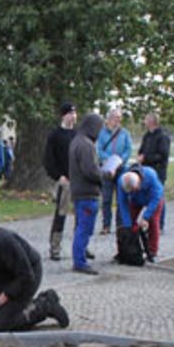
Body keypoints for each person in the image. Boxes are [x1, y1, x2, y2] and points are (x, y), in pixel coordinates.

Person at [69, 113, 105, 275]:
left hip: (78, 191)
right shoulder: (86, 145)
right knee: (84, 228)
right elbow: (90, 171)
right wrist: (104, 174)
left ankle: (80, 256)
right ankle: (79, 261)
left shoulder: (76, 141)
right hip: (87, 192)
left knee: (80, 227)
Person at [43, 101, 77, 261]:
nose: (73, 116)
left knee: (81, 214)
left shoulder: (78, 134)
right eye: (70, 113)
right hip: (64, 180)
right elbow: (48, 160)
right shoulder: (55, 135)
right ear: (64, 115)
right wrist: (58, 176)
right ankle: (55, 246)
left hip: (79, 180)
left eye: (75, 113)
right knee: (61, 214)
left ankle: (80, 246)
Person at [96, 107, 133, 235]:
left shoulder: (125, 133)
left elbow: (128, 149)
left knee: (121, 197)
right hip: (106, 169)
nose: (117, 120)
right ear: (109, 119)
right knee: (106, 198)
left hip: (121, 168)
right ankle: (106, 225)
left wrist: (119, 160)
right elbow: (99, 149)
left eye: (119, 118)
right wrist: (108, 159)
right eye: (115, 117)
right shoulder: (102, 133)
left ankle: (120, 225)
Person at [117, 166, 165, 261]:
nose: (133, 191)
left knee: (153, 222)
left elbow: (156, 198)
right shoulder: (121, 182)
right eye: (131, 191)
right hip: (135, 201)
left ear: (139, 182)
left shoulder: (150, 176)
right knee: (129, 224)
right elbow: (123, 203)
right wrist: (128, 225)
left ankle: (152, 251)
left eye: (134, 189)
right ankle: (128, 250)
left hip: (153, 199)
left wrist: (146, 217)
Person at [137, 112, 171, 231]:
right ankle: (150, 222)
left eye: (146, 120)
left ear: (152, 121)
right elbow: (142, 150)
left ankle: (159, 224)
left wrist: (146, 158)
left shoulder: (163, 136)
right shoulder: (147, 135)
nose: (144, 122)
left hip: (158, 171)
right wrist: (140, 157)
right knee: (148, 196)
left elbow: (163, 155)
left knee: (158, 196)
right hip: (146, 171)